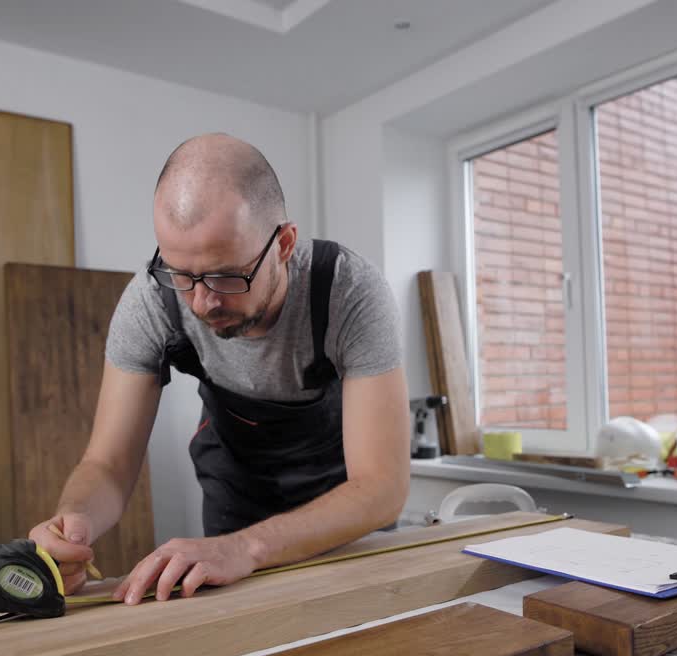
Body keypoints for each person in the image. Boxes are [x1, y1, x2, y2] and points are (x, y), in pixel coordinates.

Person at [29, 133, 409, 605]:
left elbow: (381, 488)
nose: (202, 302)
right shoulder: (151, 301)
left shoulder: (349, 292)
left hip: (344, 505)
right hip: (237, 494)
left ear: (284, 244)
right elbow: (107, 464)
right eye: (181, 275)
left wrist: (246, 548)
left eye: (227, 276)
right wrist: (75, 521)